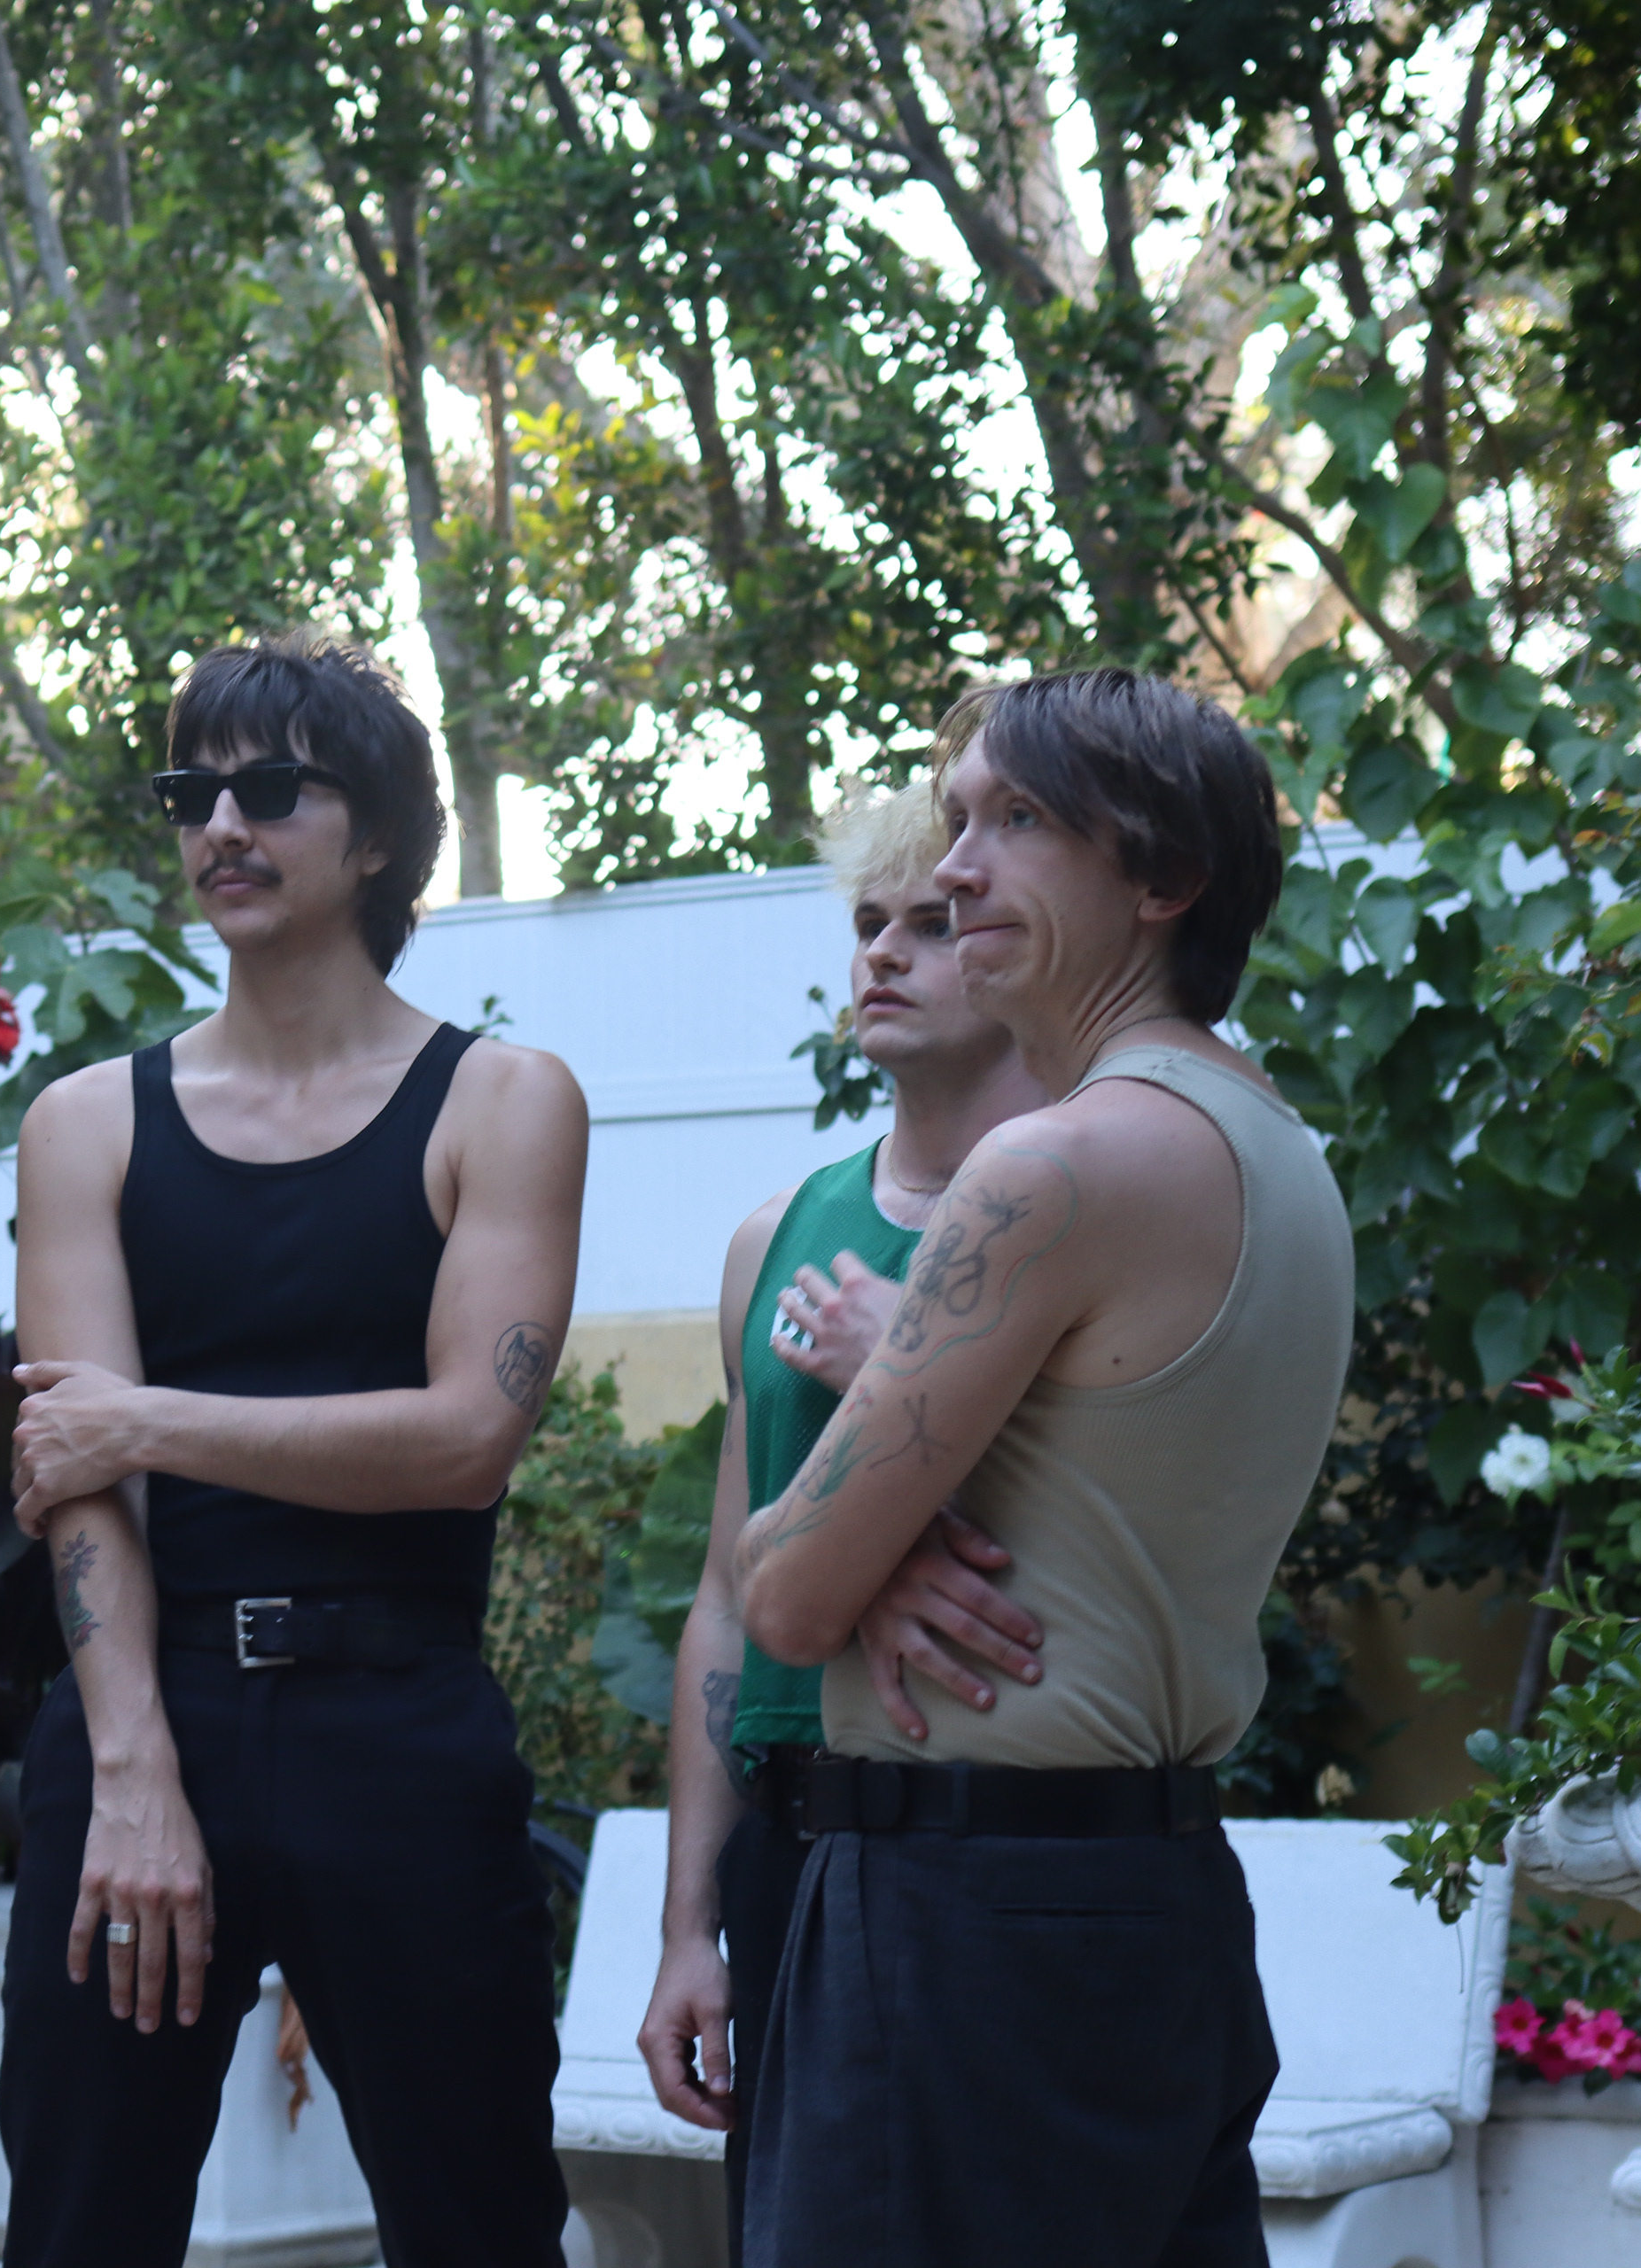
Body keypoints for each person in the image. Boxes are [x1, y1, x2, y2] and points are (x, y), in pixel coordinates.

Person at [735, 667, 1352, 2268]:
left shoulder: (1053, 1164)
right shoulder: (1276, 1146)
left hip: (966, 1926)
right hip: (1159, 1903)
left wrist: (851, 1528)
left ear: (1164, 878)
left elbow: (782, 1595)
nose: (954, 871)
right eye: (959, 821)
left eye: (1017, 821)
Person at [0, 635, 590, 2267]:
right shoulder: (86, 1124)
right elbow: (81, 1484)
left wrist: (149, 1419)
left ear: (379, 834)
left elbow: (466, 1440)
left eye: (272, 789)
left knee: (482, 2232)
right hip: (145, 1713)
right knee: (80, 2232)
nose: (222, 827)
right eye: (191, 794)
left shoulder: (501, 1102)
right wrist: (131, 1772)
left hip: (397, 1723)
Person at [631, 780, 1049, 2223]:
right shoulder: (780, 1237)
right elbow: (724, 1595)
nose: (881, 953)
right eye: (869, 923)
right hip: (793, 1844)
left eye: (930, 925)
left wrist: (903, 1374)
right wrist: (688, 1931)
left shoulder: (1090, 1208)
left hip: (1002, 1827)